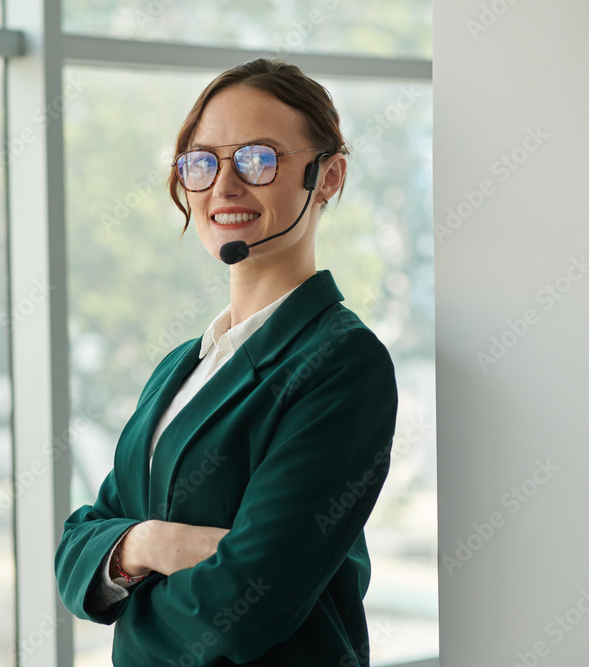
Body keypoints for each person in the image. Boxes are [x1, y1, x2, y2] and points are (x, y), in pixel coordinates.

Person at [54, 58, 399, 666]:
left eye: (258, 159)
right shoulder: (182, 368)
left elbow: (239, 610)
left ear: (327, 176)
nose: (224, 185)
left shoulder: (344, 363)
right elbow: (76, 551)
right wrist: (154, 542)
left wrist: (130, 589)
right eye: (202, 161)